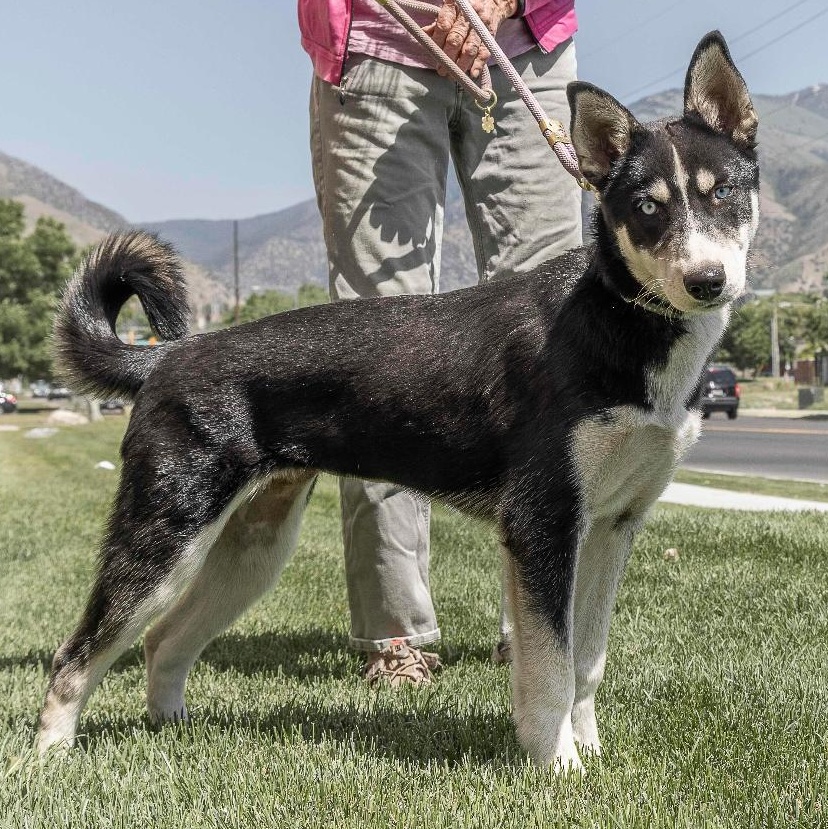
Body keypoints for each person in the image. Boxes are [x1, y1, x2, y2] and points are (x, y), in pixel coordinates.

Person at [298, 0, 582, 685]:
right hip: (375, 43)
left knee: (557, 338)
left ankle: (540, 628)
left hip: (525, 43)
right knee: (376, 348)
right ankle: (396, 635)